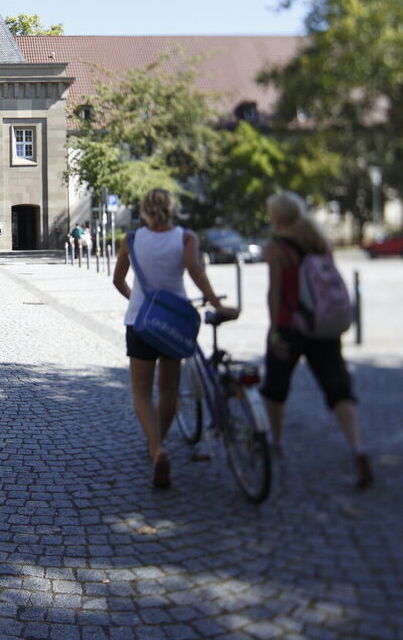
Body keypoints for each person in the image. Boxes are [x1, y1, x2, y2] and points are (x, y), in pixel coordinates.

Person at [112, 188, 237, 489]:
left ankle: (157, 448)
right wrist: (219, 306)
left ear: (143, 210)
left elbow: (117, 280)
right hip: (174, 322)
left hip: (140, 322)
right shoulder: (186, 238)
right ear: (171, 208)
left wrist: (137, 301)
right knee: (168, 389)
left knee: (141, 392)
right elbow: (196, 273)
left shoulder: (130, 240)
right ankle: (159, 443)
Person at [263, 190, 373, 489]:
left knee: (275, 386)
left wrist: (274, 331)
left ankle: (276, 441)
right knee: (338, 386)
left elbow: (275, 294)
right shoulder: (319, 242)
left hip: (289, 326)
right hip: (323, 326)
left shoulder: (276, 249)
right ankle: (357, 447)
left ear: (278, 217)